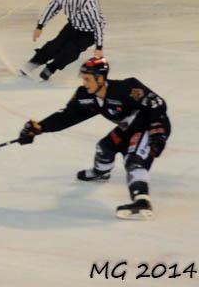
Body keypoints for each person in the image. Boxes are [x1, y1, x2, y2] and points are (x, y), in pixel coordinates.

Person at [18, 57, 170, 220]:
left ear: (100, 79)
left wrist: (157, 133)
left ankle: (142, 201)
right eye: (83, 79)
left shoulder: (126, 88)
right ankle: (101, 173)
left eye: (87, 79)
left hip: (150, 127)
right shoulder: (86, 95)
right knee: (104, 148)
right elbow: (67, 116)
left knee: (134, 161)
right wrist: (39, 128)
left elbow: (157, 103)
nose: (84, 83)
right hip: (128, 129)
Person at [20, 0, 105, 81]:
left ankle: (51, 68)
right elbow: (52, 8)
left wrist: (99, 47)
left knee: (71, 51)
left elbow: (97, 24)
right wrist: (40, 26)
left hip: (88, 34)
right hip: (72, 26)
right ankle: (32, 64)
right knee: (54, 46)